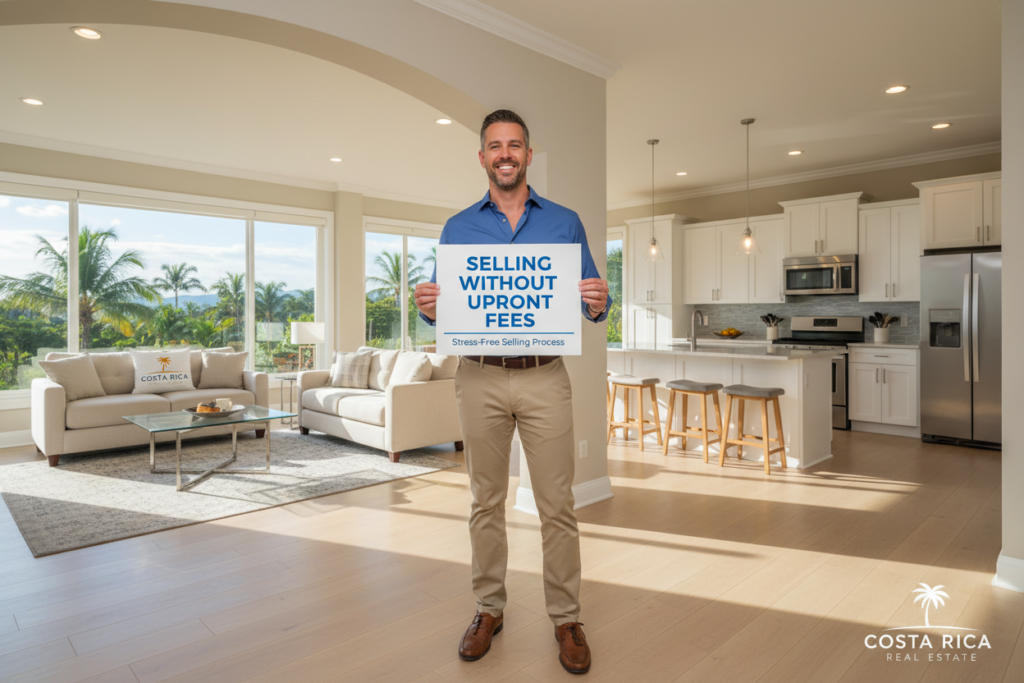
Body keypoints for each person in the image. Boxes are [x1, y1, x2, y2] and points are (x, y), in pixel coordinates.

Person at [414, 109, 610, 675]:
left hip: (545, 375)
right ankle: (489, 609)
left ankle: (566, 617)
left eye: (515, 145)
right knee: (485, 501)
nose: (506, 154)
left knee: (557, 503)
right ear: (483, 157)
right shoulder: (457, 228)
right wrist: (430, 310)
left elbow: (591, 304)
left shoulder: (566, 222)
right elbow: (447, 308)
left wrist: (599, 302)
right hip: (478, 375)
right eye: (495, 146)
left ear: (528, 154)